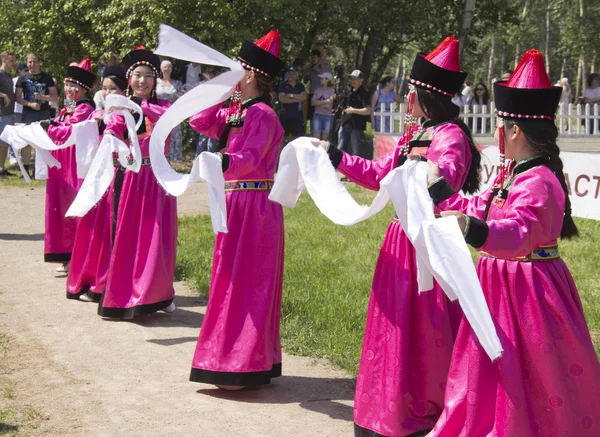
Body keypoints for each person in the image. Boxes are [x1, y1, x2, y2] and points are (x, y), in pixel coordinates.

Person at [426, 49, 600, 437]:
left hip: (529, 293)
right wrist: (441, 192)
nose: (497, 133)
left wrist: (473, 228)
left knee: (534, 369)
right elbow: (479, 206)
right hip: (495, 285)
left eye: (501, 125)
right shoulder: (511, 175)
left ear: (515, 131)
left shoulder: (539, 180)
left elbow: (519, 231)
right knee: (487, 364)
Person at [324, 36, 481, 437]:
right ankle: (386, 409)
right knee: (395, 325)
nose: (406, 96)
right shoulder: (416, 135)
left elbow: (444, 179)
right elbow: (381, 174)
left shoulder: (450, 136)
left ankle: (422, 410)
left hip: (428, 246)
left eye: (412, 89)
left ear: (427, 95)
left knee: (427, 329)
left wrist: (421, 175)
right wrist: (336, 157)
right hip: (400, 241)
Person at [188, 30, 285, 389]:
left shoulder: (263, 115)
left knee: (249, 282)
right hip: (233, 202)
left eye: (235, 71)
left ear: (249, 75)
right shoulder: (236, 112)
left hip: (256, 205)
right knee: (227, 280)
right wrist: (219, 95)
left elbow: (249, 159)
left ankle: (246, 362)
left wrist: (220, 159)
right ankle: (228, 357)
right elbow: (198, 122)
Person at [97, 48, 177, 319]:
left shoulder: (163, 107)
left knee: (158, 236)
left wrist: (140, 107)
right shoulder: (121, 108)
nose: (142, 81)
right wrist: (110, 132)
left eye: (148, 77)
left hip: (158, 179)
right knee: (130, 233)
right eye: (137, 76)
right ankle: (126, 292)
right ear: (129, 79)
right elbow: (113, 129)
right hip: (131, 179)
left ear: (155, 80)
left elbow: (169, 120)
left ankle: (159, 294)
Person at [66, 66, 127, 302]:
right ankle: (89, 277)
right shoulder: (95, 114)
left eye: (113, 88)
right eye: (104, 88)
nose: (107, 92)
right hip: (96, 179)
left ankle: (104, 282)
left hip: (116, 178)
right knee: (92, 230)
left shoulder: (126, 115)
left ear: (124, 90)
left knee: (108, 231)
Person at [41, 59, 97, 271]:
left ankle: (78, 254)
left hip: (75, 162)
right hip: (61, 163)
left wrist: (48, 127)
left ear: (84, 89)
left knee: (73, 204)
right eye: (68, 85)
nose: (70, 89)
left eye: (75, 86)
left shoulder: (85, 108)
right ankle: (66, 253)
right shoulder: (68, 108)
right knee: (60, 206)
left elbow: (69, 131)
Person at [15, 53, 58, 176]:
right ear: (27, 63)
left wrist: (42, 97)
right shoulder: (22, 78)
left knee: (42, 141)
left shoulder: (47, 77)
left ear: (39, 63)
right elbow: (17, 97)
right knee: (27, 141)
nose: (32, 64)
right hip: (28, 112)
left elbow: (55, 97)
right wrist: (30, 104)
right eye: (29, 62)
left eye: (34, 62)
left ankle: (40, 170)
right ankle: (26, 168)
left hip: (43, 112)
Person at [336, 69, 371, 157]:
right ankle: (337, 167)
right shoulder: (348, 92)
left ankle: (355, 169)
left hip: (357, 126)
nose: (352, 80)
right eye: (351, 78)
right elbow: (343, 106)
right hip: (345, 124)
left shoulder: (364, 94)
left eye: (354, 78)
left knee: (356, 151)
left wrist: (353, 110)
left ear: (361, 80)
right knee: (340, 148)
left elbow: (368, 110)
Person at [156, 60, 184, 160]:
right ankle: (160, 155)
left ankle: (174, 157)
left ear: (171, 69)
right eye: (165, 67)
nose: (167, 69)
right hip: (159, 112)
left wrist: (181, 95)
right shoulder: (156, 82)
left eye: (169, 67)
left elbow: (183, 95)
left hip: (173, 112)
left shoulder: (177, 83)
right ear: (161, 69)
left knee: (175, 133)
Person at [278, 66, 306, 142]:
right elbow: (282, 99)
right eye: (289, 73)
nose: (290, 75)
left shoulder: (300, 86)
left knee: (297, 139)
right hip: (285, 115)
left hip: (297, 116)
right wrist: (297, 99)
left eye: (293, 74)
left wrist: (290, 96)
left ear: (296, 74)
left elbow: (303, 97)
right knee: (282, 138)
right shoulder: (283, 85)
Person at [0, 50, 16, 179]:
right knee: (1, 143)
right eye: (11, 60)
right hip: (1, 113)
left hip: (10, 112)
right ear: (4, 60)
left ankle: (2, 168)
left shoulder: (9, 74)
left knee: (5, 143)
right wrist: (3, 95)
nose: (14, 63)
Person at [306, 46, 330, 122]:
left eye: (315, 58)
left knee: (318, 115)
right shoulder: (310, 68)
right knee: (310, 115)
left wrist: (321, 61)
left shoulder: (321, 67)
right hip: (311, 93)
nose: (313, 60)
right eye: (312, 58)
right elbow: (306, 80)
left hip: (320, 95)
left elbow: (318, 70)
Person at [310, 71, 336, 140]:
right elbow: (312, 103)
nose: (320, 79)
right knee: (316, 139)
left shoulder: (332, 91)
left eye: (322, 78)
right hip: (317, 115)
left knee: (324, 140)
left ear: (327, 80)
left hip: (327, 116)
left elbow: (329, 105)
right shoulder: (317, 90)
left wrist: (318, 103)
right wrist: (325, 101)